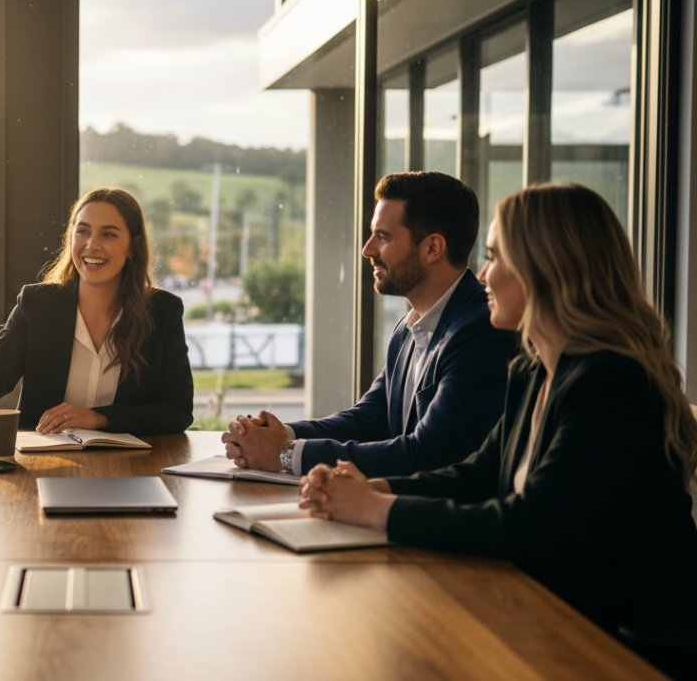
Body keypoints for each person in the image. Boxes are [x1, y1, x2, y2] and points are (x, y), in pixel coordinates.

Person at [298, 182, 697, 635]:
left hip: (626, 643)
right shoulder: (534, 370)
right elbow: (479, 474)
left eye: (494, 256)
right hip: (556, 613)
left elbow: (529, 526)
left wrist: (374, 509)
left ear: (547, 270)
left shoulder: (611, 385)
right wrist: (370, 486)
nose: (482, 275)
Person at [223, 171, 515, 477]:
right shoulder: (409, 326)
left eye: (383, 237)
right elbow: (368, 419)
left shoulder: (481, 330)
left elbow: (429, 452)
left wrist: (286, 454)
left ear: (432, 248)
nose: (368, 250)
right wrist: (279, 434)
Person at [0, 186, 192, 435]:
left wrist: (98, 419)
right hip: (46, 462)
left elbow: (177, 413)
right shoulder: (39, 304)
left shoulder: (162, 312)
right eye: (82, 231)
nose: (91, 245)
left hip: (132, 470)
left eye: (108, 234)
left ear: (133, 248)